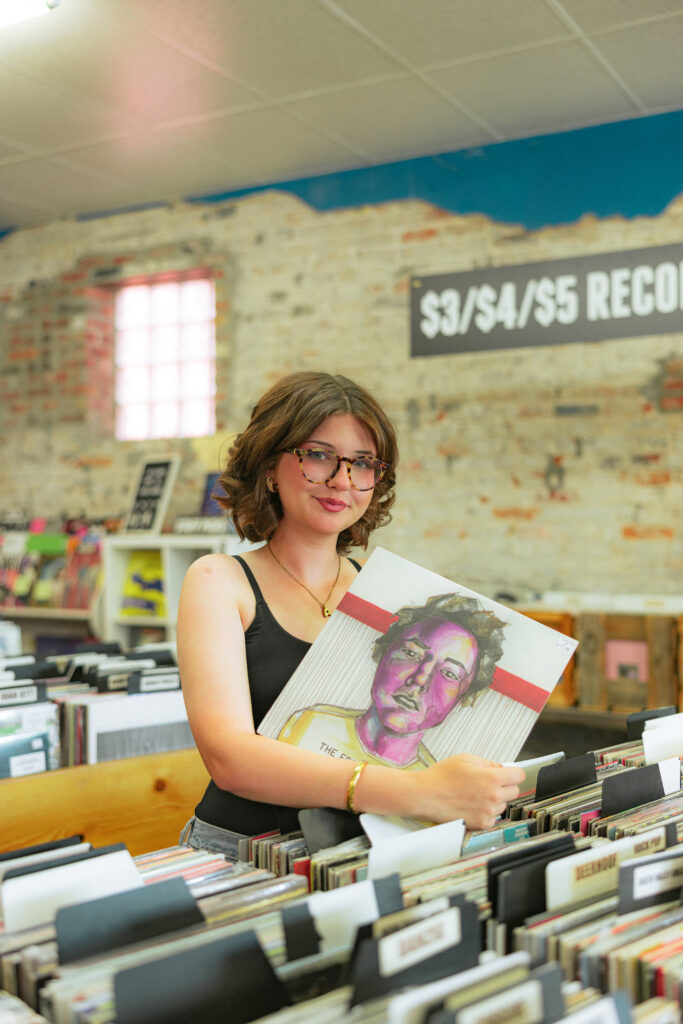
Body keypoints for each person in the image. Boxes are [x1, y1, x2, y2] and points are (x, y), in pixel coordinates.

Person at [177, 371, 524, 857]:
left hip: (361, 850)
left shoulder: (391, 597)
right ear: (269, 466)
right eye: (319, 455)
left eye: (363, 463)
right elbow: (229, 759)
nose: (342, 480)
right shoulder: (219, 580)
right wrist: (418, 791)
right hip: (241, 852)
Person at [278, 593, 506, 768]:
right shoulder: (310, 723)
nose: (419, 680)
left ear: (462, 698)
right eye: (412, 653)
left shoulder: (433, 785)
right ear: (383, 653)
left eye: (449, 674)